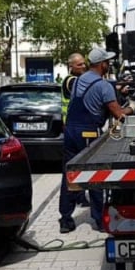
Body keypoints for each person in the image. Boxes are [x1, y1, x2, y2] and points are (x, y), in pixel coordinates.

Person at [59, 48, 135, 233]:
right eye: (107, 62)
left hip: (70, 131)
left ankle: (66, 219)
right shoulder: (104, 86)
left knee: (70, 174)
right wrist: (132, 108)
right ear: (102, 64)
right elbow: (118, 114)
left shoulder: (79, 80)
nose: (109, 64)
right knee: (94, 175)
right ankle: (99, 219)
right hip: (87, 133)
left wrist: (116, 87)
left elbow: (96, 89)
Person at [61, 52, 90, 207]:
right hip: (74, 129)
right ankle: (77, 196)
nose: (83, 66)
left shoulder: (76, 79)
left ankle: (79, 196)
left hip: (73, 128)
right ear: (70, 66)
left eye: (84, 63)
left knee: (78, 163)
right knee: (77, 164)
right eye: (79, 65)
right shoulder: (72, 81)